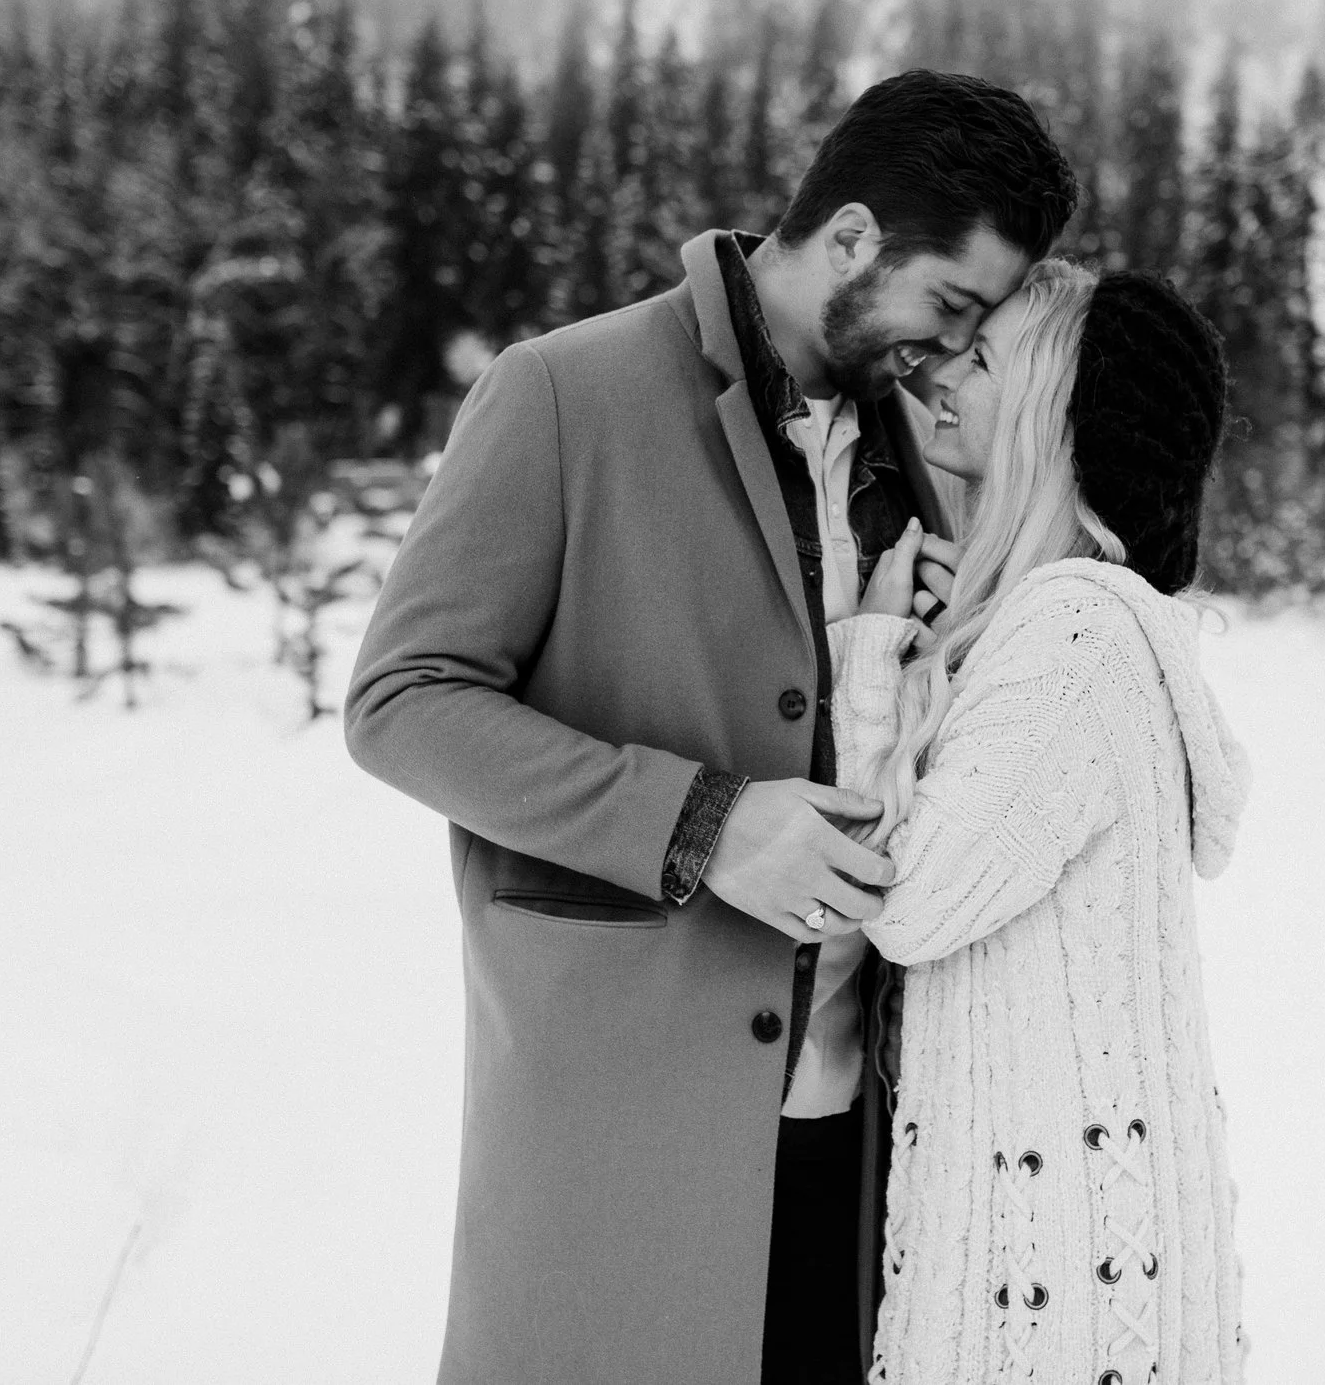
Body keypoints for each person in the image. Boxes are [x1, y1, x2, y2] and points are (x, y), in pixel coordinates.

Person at [342, 68, 1079, 1385]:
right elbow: (404, 703)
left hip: (869, 1152)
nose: (949, 350)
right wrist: (706, 820)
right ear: (853, 238)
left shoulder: (927, 445)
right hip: (626, 1135)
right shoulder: (564, 394)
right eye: (947, 303)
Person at [827, 260, 1249, 1384]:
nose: (938, 373)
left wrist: (870, 658)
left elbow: (910, 901)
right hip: (1071, 1242)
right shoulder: (1064, 624)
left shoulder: (1071, 638)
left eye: (984, 357)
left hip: (1055, 1272)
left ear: (1057, 410)